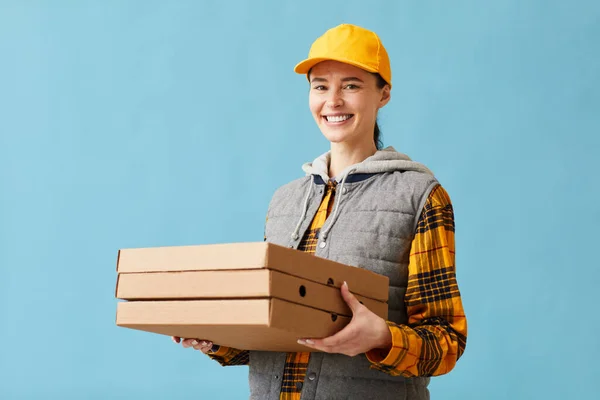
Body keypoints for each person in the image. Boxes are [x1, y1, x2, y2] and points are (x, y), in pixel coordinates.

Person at [172, 23, 467, 400]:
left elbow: (447, 342)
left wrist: (381, 337)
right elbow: (274, 335)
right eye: (320, 86)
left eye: (352, 85)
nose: (333, 101)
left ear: (384, 94)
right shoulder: (284, 202)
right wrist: (217, 339)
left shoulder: (420, 196)